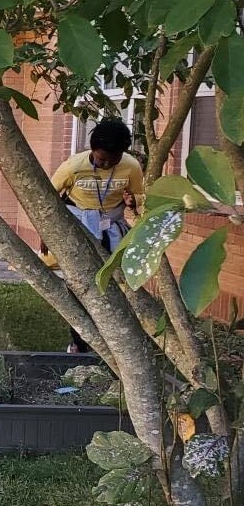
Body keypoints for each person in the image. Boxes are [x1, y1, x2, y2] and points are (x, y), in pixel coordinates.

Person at [49, 117, 143, 353]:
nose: (107, 164)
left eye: (114, 160)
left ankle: (118, 339)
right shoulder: (73, 167)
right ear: (92, 150)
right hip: (78, 223)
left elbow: (140, 196)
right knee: (80, 282)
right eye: (102, 159)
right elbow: (49, 198)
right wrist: (47, 233)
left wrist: (133, 202)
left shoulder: (131, 167)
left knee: (115, 281)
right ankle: (79, 342)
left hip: (111, 225)